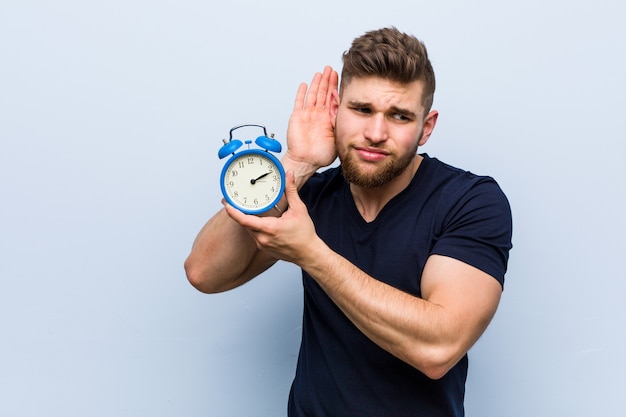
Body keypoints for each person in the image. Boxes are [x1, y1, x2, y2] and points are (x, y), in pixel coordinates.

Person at [185, 26, 513, 417]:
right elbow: (205, 272)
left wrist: (313, 255)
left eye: (399, 116)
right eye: (361, 110)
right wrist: (297, 164)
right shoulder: (309, 193)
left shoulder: (471, 201)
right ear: (336, 110)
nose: (375, 133)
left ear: (426, 126)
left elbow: (438, 348)